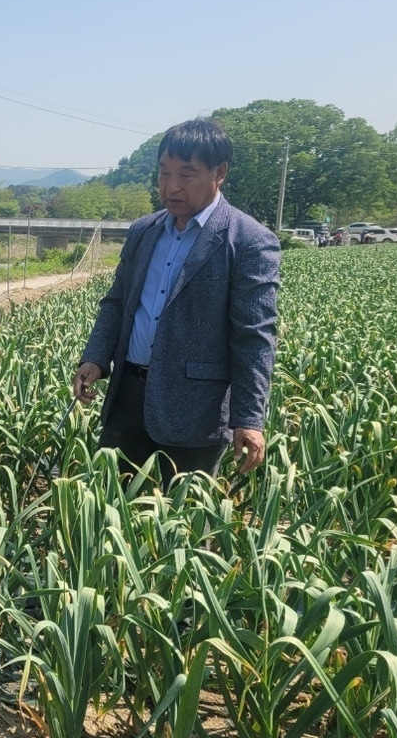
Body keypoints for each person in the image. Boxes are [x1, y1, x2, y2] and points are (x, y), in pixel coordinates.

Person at [72, 118, 281, 484]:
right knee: (111, 514)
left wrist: (249, 418)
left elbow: (254, 337)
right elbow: (118, 302)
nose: (172, 187)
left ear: (220, 173)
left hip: (194, 412)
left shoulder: (247, 241)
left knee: (178, 526)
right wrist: (95, 357)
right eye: (164, 173)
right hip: (127, 400)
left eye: (186, 174)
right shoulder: (144, 231)